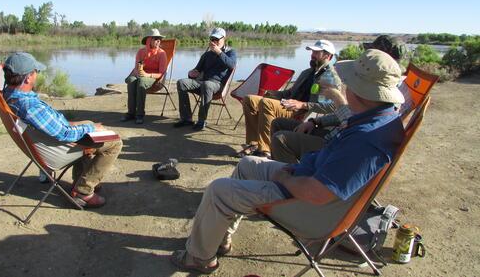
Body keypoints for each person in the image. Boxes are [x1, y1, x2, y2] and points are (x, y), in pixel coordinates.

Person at [170, 49, 405, 274]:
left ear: (359, 90)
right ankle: (218, 239)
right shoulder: (379, 116)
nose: (345, 86)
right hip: (307, 179)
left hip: (312, 209)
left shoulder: (366, 140)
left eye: (349, 83)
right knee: (247, 164)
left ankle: (199, 258)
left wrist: (284, 176)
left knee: (218, 190)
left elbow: (317, 194)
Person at [1, 52, 122, 208]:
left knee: (87, 123)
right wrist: (92, 128)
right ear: (28, 77)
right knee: (114, 143)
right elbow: (64, 134)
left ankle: (82, 178)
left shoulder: (10, 94)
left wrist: (84, 125)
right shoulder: (29, 106)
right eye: (36, 71)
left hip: (42, 142)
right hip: (55, 150)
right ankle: (83, 191)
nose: (38, 74)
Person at [270, 35, 406, 163]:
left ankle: (293, 177)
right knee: (278, 123)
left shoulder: (385, 96)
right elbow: (350, 113)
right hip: (331, 132)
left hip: (336, 144)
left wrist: (335, 97)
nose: (365, 56)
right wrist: (316, 121)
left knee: (281, 139)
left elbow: (354, 126)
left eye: (371, 54)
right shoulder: (372, 87)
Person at [238, 40, 339, 159]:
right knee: (249, 99)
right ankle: (254, 143)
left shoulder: (329, 77)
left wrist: (303, 105)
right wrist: (271, 93)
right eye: (312, 51)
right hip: (290, 104)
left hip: (304, 112)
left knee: (267, 104)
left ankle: (265, 150)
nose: (312, 55)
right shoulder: (308, 73)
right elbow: (290, 93)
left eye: (317, 52)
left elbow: (332, 106)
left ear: (328, 56)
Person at [174, 27, 237, 130]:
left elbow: (232, 65)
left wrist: (219, 53)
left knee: (207, 85)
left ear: (224, 38)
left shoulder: (231, 52)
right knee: (181, 83)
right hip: (202, 83)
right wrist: (191, 74)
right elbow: (197, 70)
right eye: (212, 39)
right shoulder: (206, 55)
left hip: (218, 85)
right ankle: (186, 118)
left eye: (217, 39)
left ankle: (201, 121)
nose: (214, 42)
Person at [120, 28, 168, 124]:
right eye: (156, 38)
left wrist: (147, 75)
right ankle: (131, 113)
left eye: (160, 39)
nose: (159, 41)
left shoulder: (162, 54)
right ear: (149, 40)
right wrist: (138, 72)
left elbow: (162, 73)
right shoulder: (141, 52)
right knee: (131, 80)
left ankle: (140, 114)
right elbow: (136, 68)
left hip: (155, 79)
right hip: (141, 75)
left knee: (141, 81)